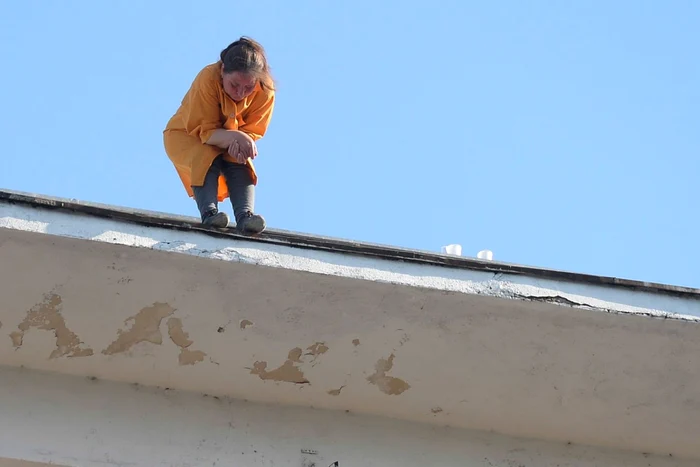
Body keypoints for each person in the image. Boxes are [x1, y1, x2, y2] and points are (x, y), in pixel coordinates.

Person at [163, 36, 275, 233]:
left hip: (228, 137)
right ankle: (210, 214)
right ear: (223, 70)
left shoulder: (265, 91)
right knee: (205, 155)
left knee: (240, 161)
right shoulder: (208, 77)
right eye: (234, 85)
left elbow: (253, 130)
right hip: (187, 135)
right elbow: (205, 131)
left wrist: (240, 142)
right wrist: (237, 137)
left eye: (248, 87)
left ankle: (245, 216)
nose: (241, 93)